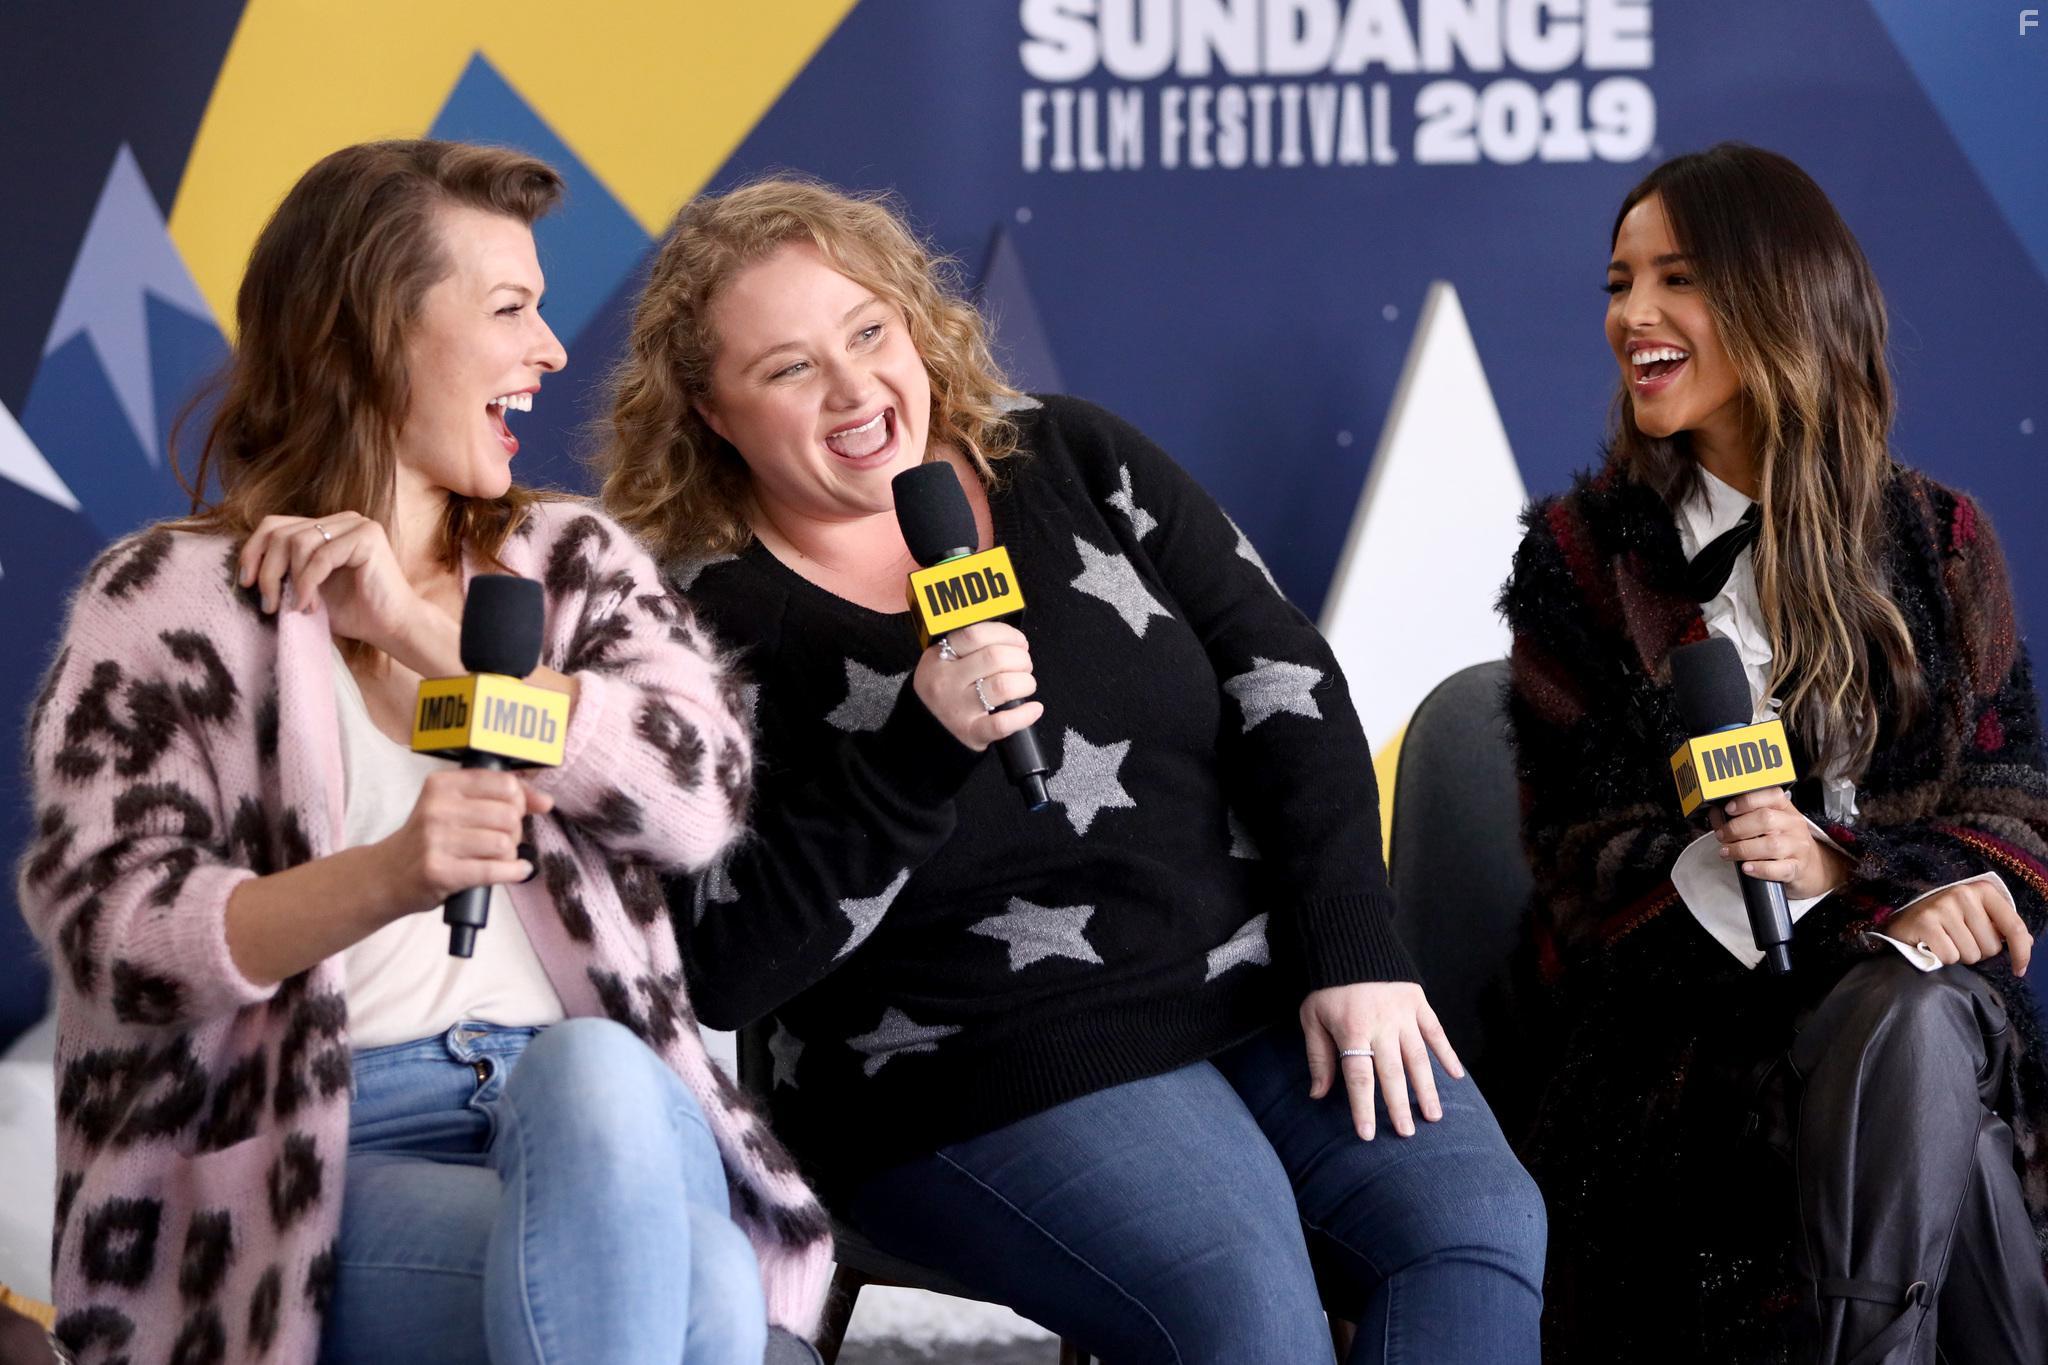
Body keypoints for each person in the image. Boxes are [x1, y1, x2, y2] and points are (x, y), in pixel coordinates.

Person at [596, 176, 1546, 1364]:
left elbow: (1289, 692)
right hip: (966, 1063)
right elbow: (726, 966)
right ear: (708, 411)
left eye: (869, 332)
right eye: (787, 369)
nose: (852, 390)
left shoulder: (1073, 458)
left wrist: (1349, 941)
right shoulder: (689, 625)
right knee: (1244, 1312)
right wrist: (917, 744)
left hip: (1249, 990)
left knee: (1474, 1225)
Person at [18, 140, 830, 1365]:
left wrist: (412, 627)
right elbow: (114, 934)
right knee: (705, 1277)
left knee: (594, 1075)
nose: (551, 350)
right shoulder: (166, 601)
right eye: (510, 309)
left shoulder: (570, 563)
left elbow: (696, 796)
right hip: (325, 1142)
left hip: (606, 1111)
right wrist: (388, 875)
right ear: (367, 336)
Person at [1502, 143, 2048, 1363]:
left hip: (1917, 1007)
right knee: (1936, 1099)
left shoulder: (1940, 537)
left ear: (1778, 296)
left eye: (1674, 279)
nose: (1629, 315)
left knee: (1914, 1021)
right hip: (1681, 1056)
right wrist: (1769, 871)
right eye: (1615, 281)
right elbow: (1577, 863)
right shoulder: (1579, 556)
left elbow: (2013, 808)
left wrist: (1848, 874)